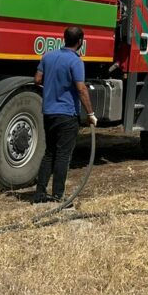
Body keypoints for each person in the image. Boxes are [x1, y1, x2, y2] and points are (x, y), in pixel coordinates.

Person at [33, 26, 96, 202]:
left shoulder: (48, 56)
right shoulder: (75, 61)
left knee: (50, 153)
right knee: (62, 155)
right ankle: (58, 196)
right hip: (67, 114)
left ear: (64, 38)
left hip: (48, 112)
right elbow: (81, 89)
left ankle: (39, 193)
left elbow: (37, 79)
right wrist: (90, 113)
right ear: (80, 41)